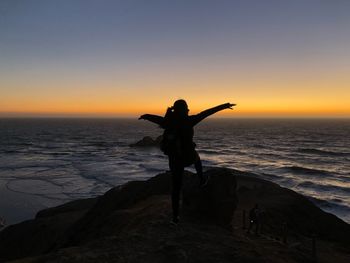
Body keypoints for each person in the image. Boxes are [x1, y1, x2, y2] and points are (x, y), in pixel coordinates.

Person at [139, 100, 235, 224]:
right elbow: (206, 113)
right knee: (197, 160)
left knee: (176, 188)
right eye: (187, 108)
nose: (189, 110)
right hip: (188, 156)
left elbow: (156, 119)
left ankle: (175, 217)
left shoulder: (168, 121)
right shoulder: (189, 120)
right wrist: (224, 106)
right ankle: (201, 180)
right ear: (183, 110)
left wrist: (145, 116)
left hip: (174, 158)